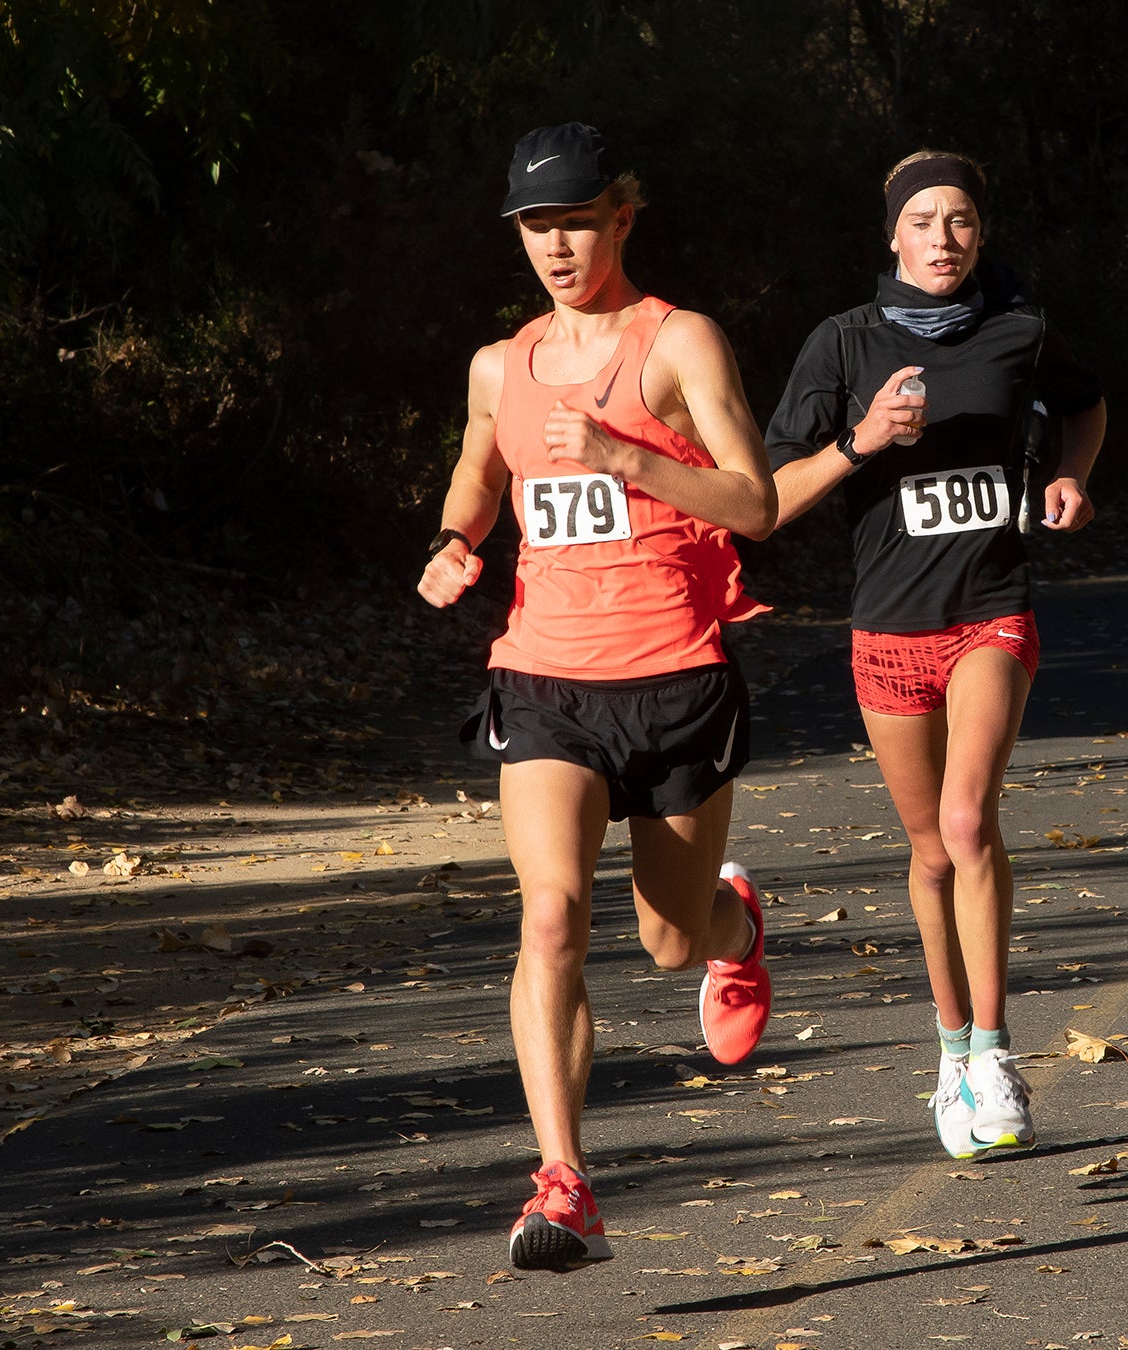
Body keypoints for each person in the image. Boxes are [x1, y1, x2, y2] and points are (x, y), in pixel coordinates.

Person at [415, 123, 777, 1273]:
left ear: (622, 216)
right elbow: (482, 467)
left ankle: (735, 925)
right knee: (552, 916)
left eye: (576, 221)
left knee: (669, 945)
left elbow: (756, 501)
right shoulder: (498, 363)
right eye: (535, 227)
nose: (557, 246)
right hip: (545, 677)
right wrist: (453, 539)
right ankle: (563, 1184)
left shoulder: (678, 346)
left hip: (673, 677)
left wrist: (631, 459)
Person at [764, 150, 1106, 1160]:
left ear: (982, 233)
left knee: (967, 821)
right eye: (925, 221)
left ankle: (997, 1054)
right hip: (886, 630)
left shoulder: (1021, 330)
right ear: (892, 237)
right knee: (926, 852)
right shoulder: (841, 346)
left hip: (991, 613)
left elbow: (1085, 407)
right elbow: (769, 501)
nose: (944, 239)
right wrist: (862, 440)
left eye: (961, 220)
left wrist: (1072, 479)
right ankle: (951, 1051)